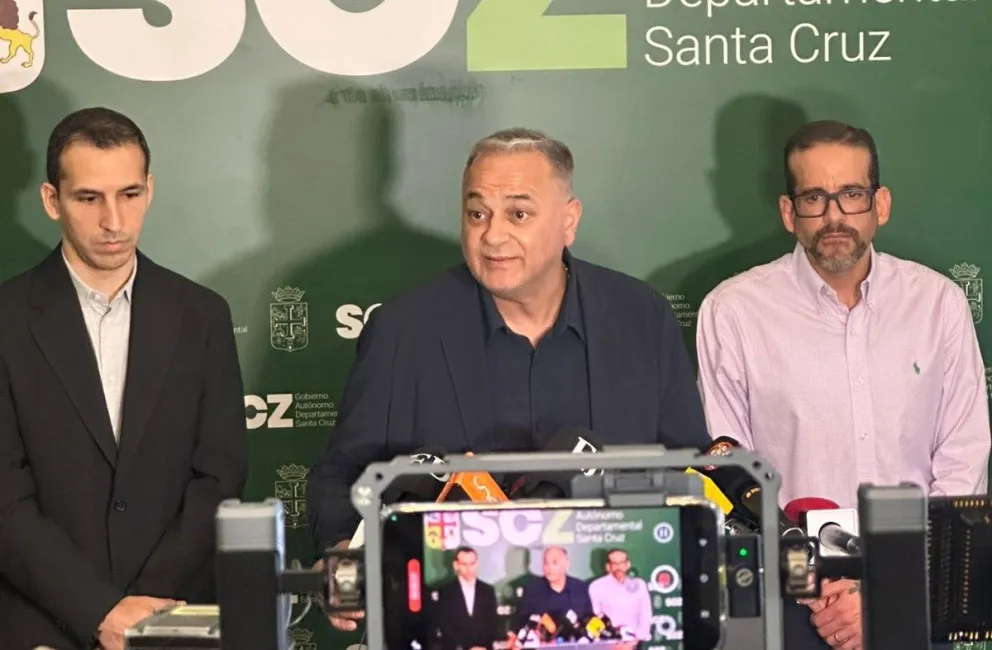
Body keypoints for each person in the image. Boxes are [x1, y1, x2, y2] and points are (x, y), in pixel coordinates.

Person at [307, 127, 710, 630]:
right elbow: (341, 474)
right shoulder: (404, 329)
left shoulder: (640, 317)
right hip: (453, 624)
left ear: (568, 221)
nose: (493, 235)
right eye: (478, 214)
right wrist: (343, 556)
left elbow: (694, 473)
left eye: (518, 214)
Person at [695, 119, 989, 650]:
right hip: (787, 606)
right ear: (790, 213)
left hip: (916, 597)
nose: (834, 216)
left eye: (851, 194)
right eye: (814, 197)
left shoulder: (938, 303)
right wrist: (827, 593)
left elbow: (963, 458)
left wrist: (890, 589)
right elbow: (729, 471)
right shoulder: (733, 311)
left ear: (880, 204)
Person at [0, 107, 248, 650]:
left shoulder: (201, 315)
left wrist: (144, 612)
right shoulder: (6, 319)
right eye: (89, 198)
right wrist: (96, 609)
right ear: (51, 200)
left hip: (173, 614)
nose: (113, 220)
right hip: (42, 623)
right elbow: (4, 496)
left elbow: (220, 477)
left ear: (150, 190)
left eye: (130, 194)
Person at [429, 547, 500, 650]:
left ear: (477, 564)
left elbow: (492, 623)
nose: (469, 569)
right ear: (456, 565)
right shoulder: (445, 592)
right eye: (464, 564)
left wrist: (485, 647)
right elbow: (444, 626)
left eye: (472, 564)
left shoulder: (488, 591)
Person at [515, 547, 592, 625]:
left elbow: (589, 619)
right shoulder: (532, 590)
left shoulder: (580, 588)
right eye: (546, 563)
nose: (549, 568)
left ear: (566, 564)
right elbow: (522, 621)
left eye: (554, 563)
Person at [587, 549, 652, 641]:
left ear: (628, 564)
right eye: (614, 563)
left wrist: (636, 639)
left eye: (621, 563)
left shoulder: (639, 585)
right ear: (608, 566)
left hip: (635, 642)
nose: (619, 567)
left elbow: (646, 614)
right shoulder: (596, 586)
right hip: (608, 642)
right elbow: (595, 617)